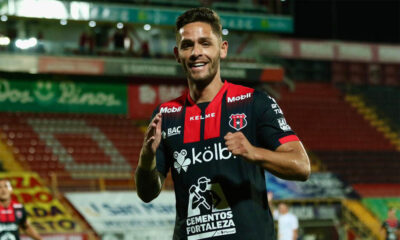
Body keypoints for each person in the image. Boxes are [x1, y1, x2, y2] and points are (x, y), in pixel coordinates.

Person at [135, 7, 310, 239]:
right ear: (178, 55)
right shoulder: (166, 115)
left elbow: (301, 166)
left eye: (205, 43)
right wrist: (146, 159)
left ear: (222, 49)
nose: (197, 52)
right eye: (188, 45)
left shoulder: (253, 102)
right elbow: (147, 193)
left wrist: (254, 152)